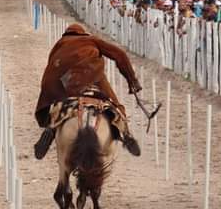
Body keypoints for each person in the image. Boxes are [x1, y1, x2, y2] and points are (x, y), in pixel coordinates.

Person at [32, 23, 142, 159]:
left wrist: (51, 97)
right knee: (115, 105)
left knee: (59, 107)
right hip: (93, 75)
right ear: (82, 33)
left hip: (67, 79)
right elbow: (119, 55)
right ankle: (126, 135)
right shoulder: (91, 40)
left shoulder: (59, 45)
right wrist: (132, 81)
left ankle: (50, 129)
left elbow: (51, 72)